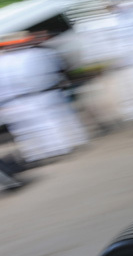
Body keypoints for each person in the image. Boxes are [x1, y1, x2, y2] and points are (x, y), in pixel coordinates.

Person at [0, 31, 88, 167]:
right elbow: (57, 71)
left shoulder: (25, 56)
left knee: (34, 127)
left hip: (25, 99)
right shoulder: (37, 54)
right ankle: (51, 151)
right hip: (34, 96)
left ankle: (46, 152)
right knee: (41, 126)